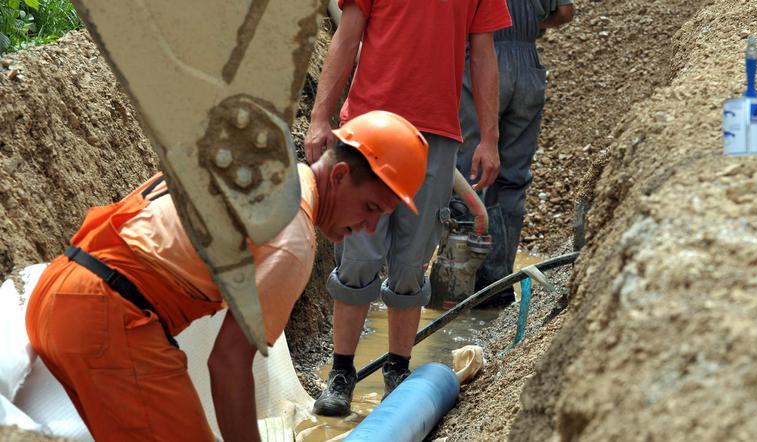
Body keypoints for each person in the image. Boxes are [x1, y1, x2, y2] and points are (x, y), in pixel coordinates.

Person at [25, 110, 429, 442]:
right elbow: (228, 364)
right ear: (338, 175)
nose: (370, 227)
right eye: (371, 207)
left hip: (58, 293)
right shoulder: (292, 236)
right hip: (108, 320)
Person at [305, 0, 512, 417]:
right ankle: (341, 374)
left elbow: (484, 53)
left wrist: (489, 138)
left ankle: (397, 371)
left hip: (436, 134)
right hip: (369, 128)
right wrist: (319, 117)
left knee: (411, 262)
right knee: (359, 257)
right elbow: (347, 35)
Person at [455, 0, 575, 304]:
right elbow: (565, 12)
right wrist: (531, 23)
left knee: (466, 173)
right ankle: (496, 285)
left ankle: (458, 284)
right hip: (527, 66)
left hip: (480, 59)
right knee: (512, 179)